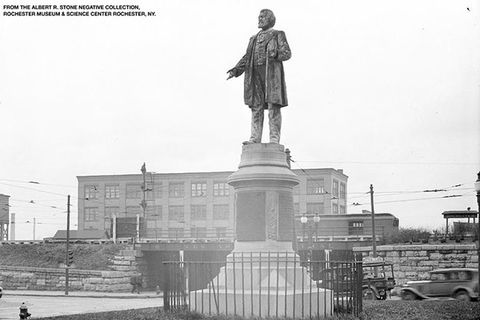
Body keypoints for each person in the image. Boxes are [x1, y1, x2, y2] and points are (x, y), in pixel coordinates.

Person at [227, 9, 291, 144]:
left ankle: (274, 138)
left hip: (272, 77)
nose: (259, 19)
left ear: (270, 19)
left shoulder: (277, 34)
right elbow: (247, 57)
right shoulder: (253, 39)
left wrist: (275, 54)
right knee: (256, 106)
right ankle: (255, 138)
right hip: (254, 76)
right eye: (259, 17)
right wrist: (236, 70)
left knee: (273, 107)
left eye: (262, 17)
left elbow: (287, 53)